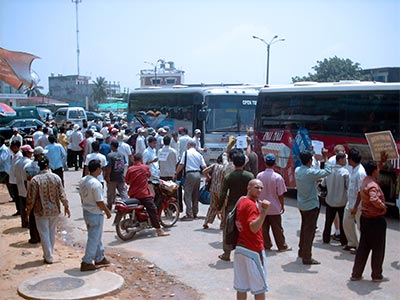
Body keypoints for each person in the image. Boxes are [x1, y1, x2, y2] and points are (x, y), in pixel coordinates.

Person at [25, 156, 70, 264]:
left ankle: (48, 256)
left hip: (41, 211)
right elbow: (62, 194)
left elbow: (31, 198)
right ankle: (49, 254)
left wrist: (28, 211)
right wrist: (66, 206)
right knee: (51, 232)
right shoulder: (56, 178)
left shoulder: (35, 180)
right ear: (48, 165)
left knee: (44, 233)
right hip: (54, 210)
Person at [351, 160, 387, 282]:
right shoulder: (372, 185)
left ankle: (356, 273)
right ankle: (376, 275)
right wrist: (382, 206)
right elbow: (374, 198)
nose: (379, 171)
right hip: (376, 220)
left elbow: (362, 195)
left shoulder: (365, 181)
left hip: (365, 219)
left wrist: (381, 163)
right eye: (377, 169)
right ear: (374, 171)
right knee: (378, 248)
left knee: (363, 247)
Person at [234, 179, 270, 300]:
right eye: (256, 187)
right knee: (259, 287)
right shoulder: (250, 205)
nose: (259, 190)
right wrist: (264, 211)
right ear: (248, 187)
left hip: (240, 248)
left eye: (261, 188)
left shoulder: (241, 200)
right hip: (253, 249)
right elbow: (254, 227)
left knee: (241, 286)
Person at [217, 149, 254, 261]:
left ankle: (226, 253)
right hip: (246, 206)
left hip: (232, 207)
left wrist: (219, 208)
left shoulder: (229, 177)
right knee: (246, 229)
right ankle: (246, 253)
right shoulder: (250, 176)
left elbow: (223, 193)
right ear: (244, 163)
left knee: (228, 230)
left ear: (233, 162)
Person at [295, 149, 331, 265]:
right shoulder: (310, 173)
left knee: (305, 229)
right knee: (309, 232)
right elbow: (327, 171)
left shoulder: (298, 170)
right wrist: (325, 157)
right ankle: (307, 256)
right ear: (310, 161)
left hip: (302, 204)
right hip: (311, 205)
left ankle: (302, 251)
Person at [79, 159, 112, 272]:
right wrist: (107, 211)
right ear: (98, 169)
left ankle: (100, 257)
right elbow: (99, 202)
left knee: (96, 236)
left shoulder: (83, 180)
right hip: (95, 212)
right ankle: (87, 261)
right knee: (94, 238)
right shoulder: (96, 184)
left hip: (87, 210)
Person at [125, 153, 169, 237]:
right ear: (141, 160)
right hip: (143, 194)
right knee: (153, 209)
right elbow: (149, 175)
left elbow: (127, 181)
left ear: (134, 160)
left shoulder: (130, 169)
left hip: (133, 194)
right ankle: (159, 230)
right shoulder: (145, 167)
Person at [256, 153, 291, 252]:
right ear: (275, 163)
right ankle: (282, 246)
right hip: (274, 208)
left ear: (265, 163)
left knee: (264, 228)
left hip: (262, 207)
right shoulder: (278, 177)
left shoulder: (259, 176)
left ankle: (266, 245)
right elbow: (280, 194)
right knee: (277, 228)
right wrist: (282, 206)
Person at [321, 152, 349, 246]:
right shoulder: (345, 172)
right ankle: (343, 241)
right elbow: (348, 186)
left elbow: (323, 185)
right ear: (340, 160)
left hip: (330, 201)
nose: (346, 161)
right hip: (342, 201)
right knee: (342, 222)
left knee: (328, 221)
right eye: (345, 159)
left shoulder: (329, 172)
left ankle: (325, 239)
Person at [174, 140, 206, 221]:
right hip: (198, 175)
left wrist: (175, 173)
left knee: (187, 194)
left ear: (189, 145)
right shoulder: (199, 154)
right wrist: (208, 176)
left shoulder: (186, 153)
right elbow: (204, 166)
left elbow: (181, 165)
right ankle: (195, 213)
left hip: (190, 174)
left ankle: (189, 214)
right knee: (195, 194)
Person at [343, 148, 366, 253]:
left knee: (361, 227)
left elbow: (360, 192)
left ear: (352, 160)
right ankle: (352, 242)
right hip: (351, 202)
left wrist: (356, 207)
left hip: (358, 205)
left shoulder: (360, 172)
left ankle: (362, 247)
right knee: (346, 222)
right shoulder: (353, 169)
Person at [24, 146, 47, 244]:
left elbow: (26, 181)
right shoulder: (41, 167)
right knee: (42, 217)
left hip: (31, 192)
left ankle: (34, 237)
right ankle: (43, 237)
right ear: (40, 155)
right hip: (41, 194)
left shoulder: (28, 166)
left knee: (33, 217)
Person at [202, 152, 228, 229]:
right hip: (222, 190)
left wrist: (208, 177)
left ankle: (206, 222)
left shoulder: (214, 166)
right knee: (223, 207)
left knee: (212, 206)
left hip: (213, 189)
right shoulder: (225, 168)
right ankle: (222, 224)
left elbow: (204, 171)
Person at [15, 144, 35, 228]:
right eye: (30, 153)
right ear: (27, 153)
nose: (31, 154)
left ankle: (24, 222)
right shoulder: (29, 163)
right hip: (28, 188)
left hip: (20, 188)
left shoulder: (17, 162)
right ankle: (30, 224)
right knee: (30, 208)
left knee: (23, 207)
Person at [105, 141, 128, 210]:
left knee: (110, 193)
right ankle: (127, 204)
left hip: (112, 176)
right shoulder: (122, 155)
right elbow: (124, 165)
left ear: (112, 146)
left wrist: (107, 176)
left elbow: (109, 167)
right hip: (120, 176)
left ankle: (109, 206)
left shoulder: (110, 155)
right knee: (123, 192)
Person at [9, 140, 22, 216]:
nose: (12, 149)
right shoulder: (14, 155)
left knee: (18, 195)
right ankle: (18, 209)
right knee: (16, 195)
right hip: (13, 179)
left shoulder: (19, 156)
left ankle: (20, 209)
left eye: (14, 147)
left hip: (17, 179)